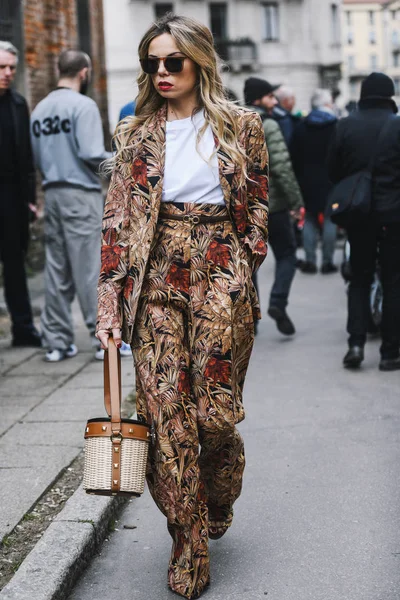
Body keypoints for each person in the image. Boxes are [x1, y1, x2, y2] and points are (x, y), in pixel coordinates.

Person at [96, 14, 268, 599]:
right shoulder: (134, 136)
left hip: (221, 268)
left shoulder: (242, 125)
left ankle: (222, 483)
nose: (162, 72)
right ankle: (187, 541)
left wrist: (247, 261)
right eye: (153, 63)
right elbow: (116, 224)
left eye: (174, 61)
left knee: (215, 415)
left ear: (200, 61)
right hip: (155, 274)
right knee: (166, 414)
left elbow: (260, 201)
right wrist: (109, 309)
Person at [30, 50, 124, 362]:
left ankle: (57, 341)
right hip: (79, 193)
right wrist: (123, 162)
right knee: (89, 268)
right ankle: (104, 339)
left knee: (56, 270)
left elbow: (36, 158)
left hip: (52, 193)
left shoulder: (39, 110)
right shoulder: (83, 106)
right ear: (84, 72)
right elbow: (90, 153)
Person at [327, 72, 400, 372]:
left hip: (359, 214)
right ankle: (390, 352)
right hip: (394, 214)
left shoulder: (346, 125)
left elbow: (333, 170)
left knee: (359, 278)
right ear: (390, 95)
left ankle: (355, 343)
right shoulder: (396, 125)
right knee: (394, 281)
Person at [244, 77, 303, 335]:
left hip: (243, 206)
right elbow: (282, 167)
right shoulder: (268, 124)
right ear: (259, 99)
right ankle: (277, 302)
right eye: (270, 96)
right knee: (287, 253)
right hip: (273, 204)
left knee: (249, 261)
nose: (274, 101)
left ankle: (251, 318)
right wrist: (296, 201)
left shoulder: (232, 124)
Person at [0, 41, 41, 348]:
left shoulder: (17, 104)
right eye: (2, 67)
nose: (8, 73)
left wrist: (31, 198)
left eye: (11, 68)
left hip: (13, 198)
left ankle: (23, 330)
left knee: (15, 264)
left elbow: (26, 157)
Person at [291, 88, 338, 274]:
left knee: (309, 218)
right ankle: (327, 262)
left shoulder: (301, 127)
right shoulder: (336, 126)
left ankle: (310, 261)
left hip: (306, 180)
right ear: (327, 105)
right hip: (331, 180)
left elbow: (293, 156)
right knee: (330, 219)